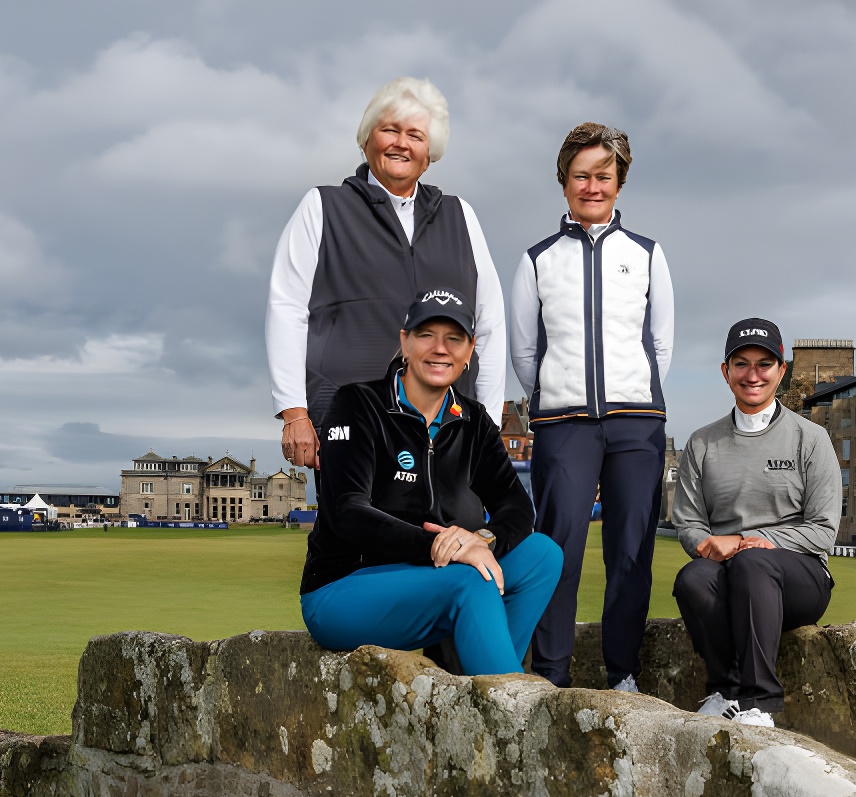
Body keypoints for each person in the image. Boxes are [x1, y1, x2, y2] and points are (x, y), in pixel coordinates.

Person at [299, 288, 562, 676]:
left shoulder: (472, 420)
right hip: (343, 588)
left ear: (470, 350)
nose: (440, 349)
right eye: (426, 335)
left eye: (454, 338)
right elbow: (347, 512)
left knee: (542, 555)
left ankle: (474, 678)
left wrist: (483, 540)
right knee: (472, 579)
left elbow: (516, 506)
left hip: (431, 579)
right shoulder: (358, 403)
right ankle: (506, 711)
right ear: (404, 341)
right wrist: (442, 546)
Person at [266, 77, 505, 470]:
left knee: (448, 532)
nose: (401, 143)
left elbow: (490, 323)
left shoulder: (460, 215)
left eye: (415, 135)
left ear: (430, 153)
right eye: (389, 129)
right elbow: (286, 308)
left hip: (448, 426)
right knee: (357, 530)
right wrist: (294, 412)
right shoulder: (322, 207)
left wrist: (490, 423)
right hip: (351, 419)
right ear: (366, 140)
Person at [509, 122, 674, 691]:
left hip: (637, 424)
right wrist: (557, 399)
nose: (592, 186)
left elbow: (660, 345)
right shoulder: (537, 260)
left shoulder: (647, 255)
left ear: (619, 182)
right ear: (564, 183)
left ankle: (622, 673)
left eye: (603, 175)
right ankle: (550, 675)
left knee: (631, 550)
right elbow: (525, 351)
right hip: (564, 423)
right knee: (559, 551)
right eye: (581, 175)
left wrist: (634, 398)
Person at [670, 319, 839, 727]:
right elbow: (689, 522)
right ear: (726, 372)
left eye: (765, 364)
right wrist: (707, 546)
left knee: (752, 562)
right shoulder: (702, 442)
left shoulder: (810, 438)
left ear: (782, 371)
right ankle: (724, 690)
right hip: (729, 573)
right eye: (742, 364)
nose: (753, 375)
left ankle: (760, 701)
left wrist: (746, 540)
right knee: (692, 578)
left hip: (799, 578)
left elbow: (823, 529)